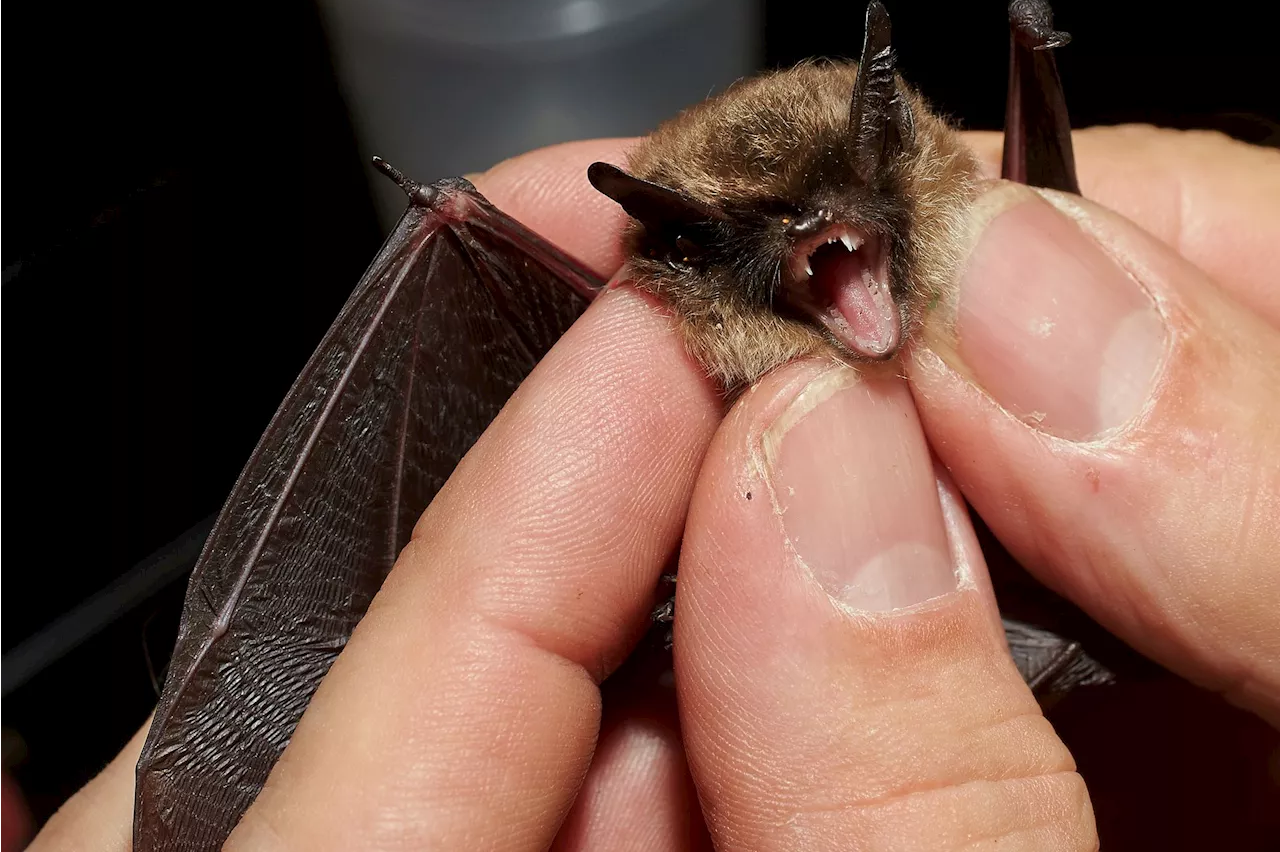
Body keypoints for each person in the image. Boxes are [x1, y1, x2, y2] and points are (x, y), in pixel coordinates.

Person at [27, 126, 1280, 851]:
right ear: (688, 257)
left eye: (852, 217)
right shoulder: (665, 365)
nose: (824, 248)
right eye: (773, 243)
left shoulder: (961, 240)